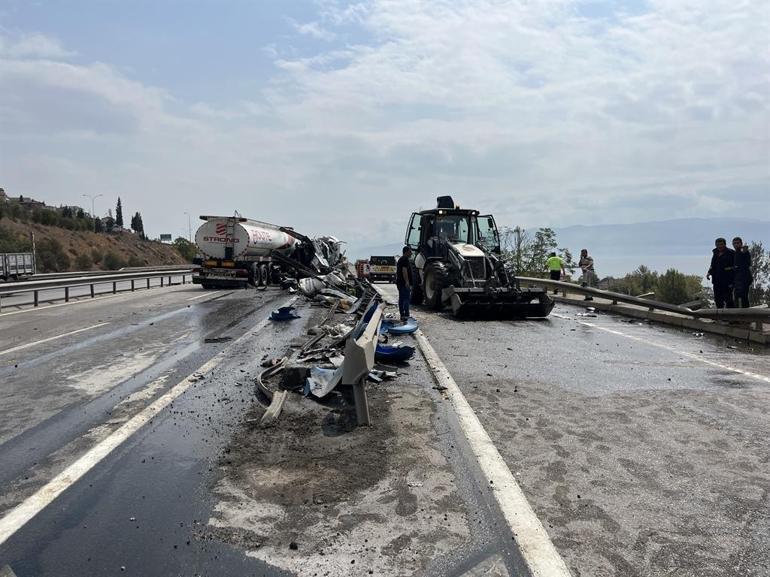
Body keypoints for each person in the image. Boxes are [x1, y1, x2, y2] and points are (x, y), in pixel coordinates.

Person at [707, 237, 735, 309]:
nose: (719, 246)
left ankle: (732, 318)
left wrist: (733, 281)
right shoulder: (715, 253)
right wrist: (709, 273)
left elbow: (735, 267)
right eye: (718, 245)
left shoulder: (731, 253)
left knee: (728, 300)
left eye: (721, 244)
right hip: (716, 281)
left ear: (725, 244)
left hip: (727, 281)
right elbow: (713, 265)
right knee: (718, 300)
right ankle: (721, 318)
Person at [732, 237, 752, 308]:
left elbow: (748, 263)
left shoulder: (743, 251)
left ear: (741, 243)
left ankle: (746, 314)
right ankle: (737, 314)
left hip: (744, 278)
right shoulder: (735, 253)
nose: (736, 245)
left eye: (738, 243)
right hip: (738, 279)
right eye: (734, 243)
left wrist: (744, 252)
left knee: (744, 296)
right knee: (736, 296)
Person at [396, 246, 413, 322]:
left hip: (400, 283)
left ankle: (402, 315)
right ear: (406, 252)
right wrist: (407, 282)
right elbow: (404, 271)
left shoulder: (401, 259)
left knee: (402, 299)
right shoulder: (404, 259)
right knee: (406, 299)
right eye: (410, 251)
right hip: (403, 283)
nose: (411, 253)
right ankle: (406, 315)